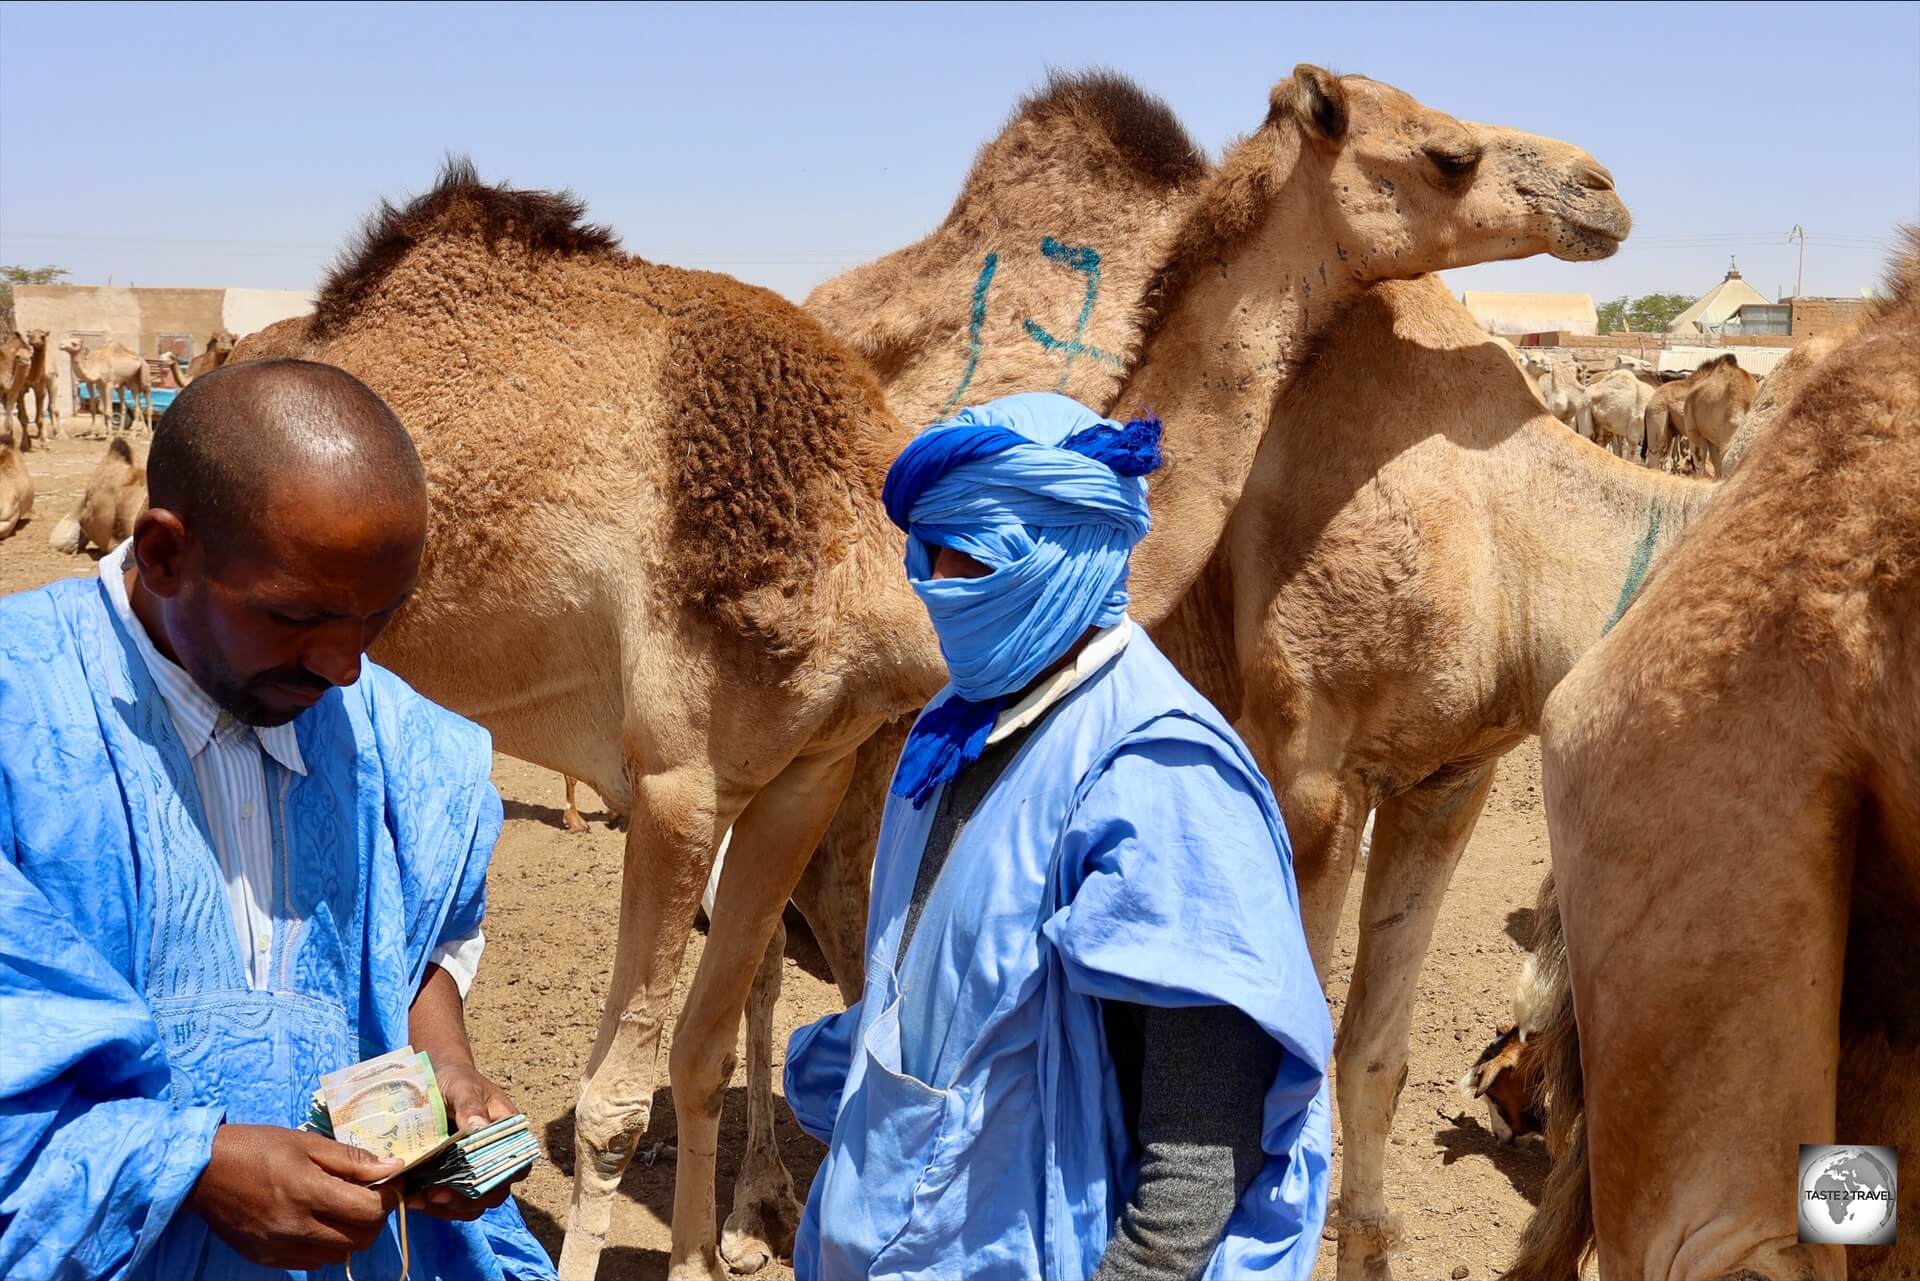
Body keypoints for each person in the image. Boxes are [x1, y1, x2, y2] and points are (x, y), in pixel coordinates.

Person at [0, 359, 554, 1280]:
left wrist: (445, 1067)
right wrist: (195, 1170)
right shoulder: (22, 721)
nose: (343, 665)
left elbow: (416, 946)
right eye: (296, 615)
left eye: (379, 618)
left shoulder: (392, 736)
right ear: (166, 552)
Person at [784, 392, 1333, 1280]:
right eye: (929, 553)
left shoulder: (1159, 778)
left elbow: (1192, 1173)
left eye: (976, 558)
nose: (940, 585)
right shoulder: (956, 725)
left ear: (1065, 549)